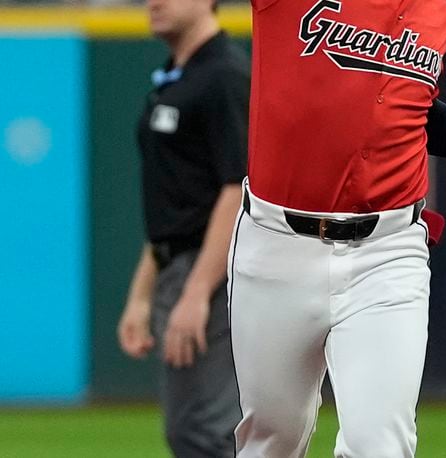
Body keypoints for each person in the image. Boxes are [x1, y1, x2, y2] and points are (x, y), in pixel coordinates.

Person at [228, 0, 446, 456]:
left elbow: (403, 105)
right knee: (271, 440)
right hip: (276, 244)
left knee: (380, 445)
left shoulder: (433, 12)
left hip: (387, 252)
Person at [116, 0, 249, 455]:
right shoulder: (176, 77)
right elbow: (172, 208)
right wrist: (141, 294)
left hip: (210, 273)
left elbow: (237, 187)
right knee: (190, 430)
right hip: (179, 268)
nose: (154, 2)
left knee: (208, 432)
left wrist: (196, 294)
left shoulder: (224, 75)